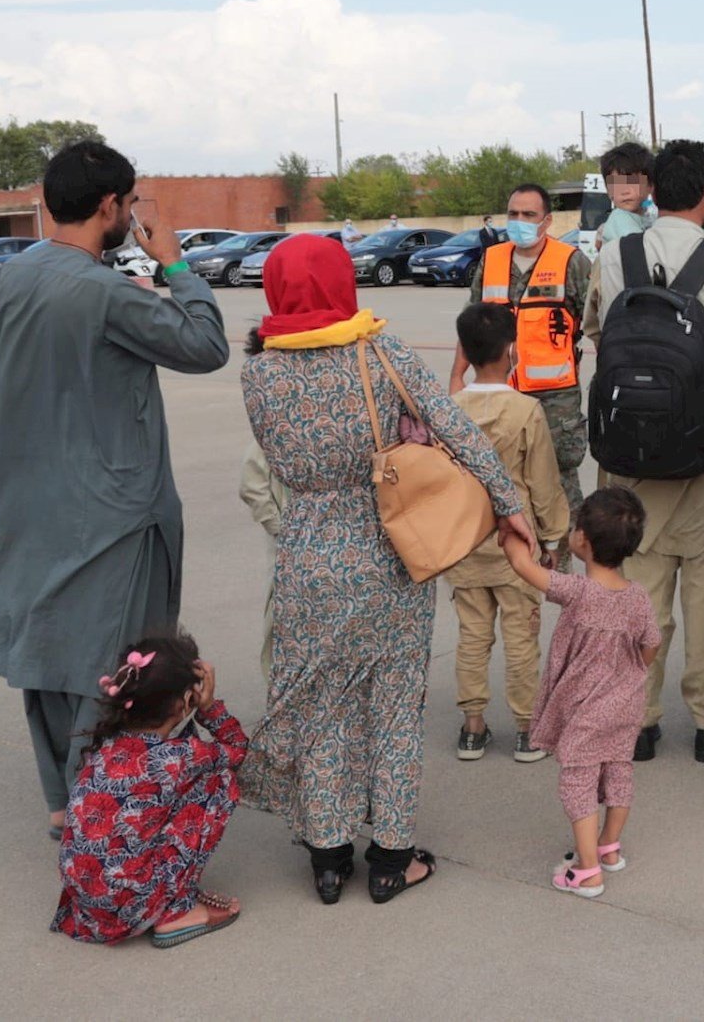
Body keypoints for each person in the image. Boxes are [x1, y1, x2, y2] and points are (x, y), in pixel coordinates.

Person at [0, 141, 231, 840]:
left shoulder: (18, 274)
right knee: (119, 668)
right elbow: (204, 346)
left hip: (27, 503)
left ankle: (67, 807)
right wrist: (177, 265)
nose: (130, 216)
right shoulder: (103, 291)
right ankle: (110, 820)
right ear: (109, 206)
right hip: (110, 515)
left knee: (46, 657)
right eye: (128, 205)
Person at [237, 233, 528, 907]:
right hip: (390, 549)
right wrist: (509, 505)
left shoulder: (259, 373)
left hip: (307, 552)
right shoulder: (382, 353)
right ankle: (393, 858)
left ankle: (329, 856)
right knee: (394, 705)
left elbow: (279, 464)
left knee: (322, 708)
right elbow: (456, 427)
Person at [583, 139, 704, 763]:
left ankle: (637, 720)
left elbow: (594, 330)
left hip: (628, 447)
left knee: (639, 581)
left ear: (653, 191)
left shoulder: (614, 255)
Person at [499, 488, 661, 898]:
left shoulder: (579, 591)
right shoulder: (638, 597)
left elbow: (522, 566)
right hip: (626, 705)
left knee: (578, 780)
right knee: (619, 769)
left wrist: (508, 529)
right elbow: (652, 644)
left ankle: (587, 870)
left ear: (583, 540)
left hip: (587, 712)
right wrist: (633, 671)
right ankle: (608, 847)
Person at [52, 633, 245, 948]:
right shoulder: (179, 758)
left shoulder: (108, 743)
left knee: (163, 800)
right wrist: (209, 707)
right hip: (129, 907)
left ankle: (158, 895)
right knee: (220, 778)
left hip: (85, 902)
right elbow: (236, 749)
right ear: (186, 701)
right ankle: (176, 913)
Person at [448, 302, 571, 764]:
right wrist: (554, 538)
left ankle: (473, 728)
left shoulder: (449, 409)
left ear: (465, 352)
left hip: (463, 546)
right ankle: (526, 728)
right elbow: (543, 483)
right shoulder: (525, 410)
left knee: (472, 636)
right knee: (522, 637)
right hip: (515, 547)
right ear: (512, 351)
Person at [454, 182, 591, 530]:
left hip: (555, 402)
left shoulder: (572, 262)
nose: (519, 221)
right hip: (500, 395)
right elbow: (472, 320)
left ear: (546, 221)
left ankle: (558, 576)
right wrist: (458, 375)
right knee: (502, 484)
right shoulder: (493, 259)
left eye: (528, 215)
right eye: (513, 214)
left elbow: (596, 324)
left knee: (558, 494)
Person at [237, 443, 289, 675]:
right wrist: (277, 525)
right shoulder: (277, 423)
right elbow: (251, 483)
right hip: (289, 539)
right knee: (282, 614)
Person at [596, 141, 654, 249]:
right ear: (609, 191)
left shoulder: (648, 215)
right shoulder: (619, 217)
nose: (624, 191)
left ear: (650, 186)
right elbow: (642, 251)